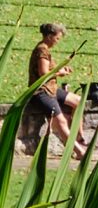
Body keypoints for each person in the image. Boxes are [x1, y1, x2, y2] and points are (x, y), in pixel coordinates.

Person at [22, 21, 74, 150]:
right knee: (61, 120)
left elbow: (49, 69)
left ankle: (78, 138)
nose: (58, 41)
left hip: (52, 88)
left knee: (78, 101)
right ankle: (76, 150)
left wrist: (62, 68)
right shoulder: (42, 51)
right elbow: (44, 73)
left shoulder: (45, 50)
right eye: (57, 38)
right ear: (49, 36)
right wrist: (59, 73)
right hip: (42, 91)